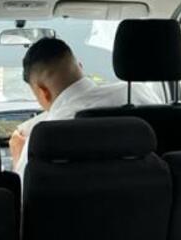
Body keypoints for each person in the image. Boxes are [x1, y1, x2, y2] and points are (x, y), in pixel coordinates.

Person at [10, 36, 160, 177]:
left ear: (43, 92)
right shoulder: (139, 94)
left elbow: (27, 192)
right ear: (80, 67)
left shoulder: (43, 137)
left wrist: (18, 157)